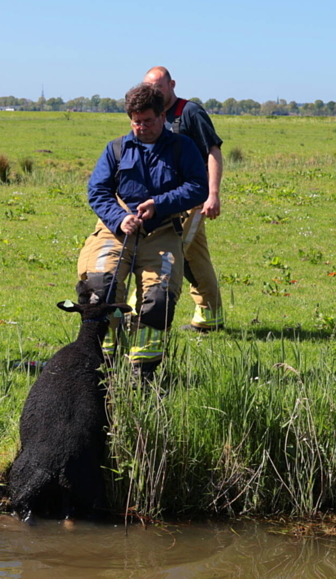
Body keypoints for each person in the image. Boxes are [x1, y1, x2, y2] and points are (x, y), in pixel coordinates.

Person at [76, 83, 208, 377]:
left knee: (158, 300)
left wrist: (159, 203)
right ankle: (100, 365)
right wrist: (119, 218)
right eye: (136, 122)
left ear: (162, 117)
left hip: (161, 230)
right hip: (116, 230)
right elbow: (97, 190)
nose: (142, 128)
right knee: (98, 290)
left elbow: (198, 187)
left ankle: (142, 372)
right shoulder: (116, 149)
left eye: (148, 121)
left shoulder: (182, 148)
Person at [142, 67, 225, 332]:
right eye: (148, 86)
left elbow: (213, 151)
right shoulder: (154, 116)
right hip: (165, 199)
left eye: (158, 86)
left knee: (172, 250)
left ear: (171, 84)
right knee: (195, 257)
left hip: (191, 198)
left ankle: (141, 311)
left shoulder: (190, 112)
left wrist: (213, 194)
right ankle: (210, 317)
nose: (153, 91)